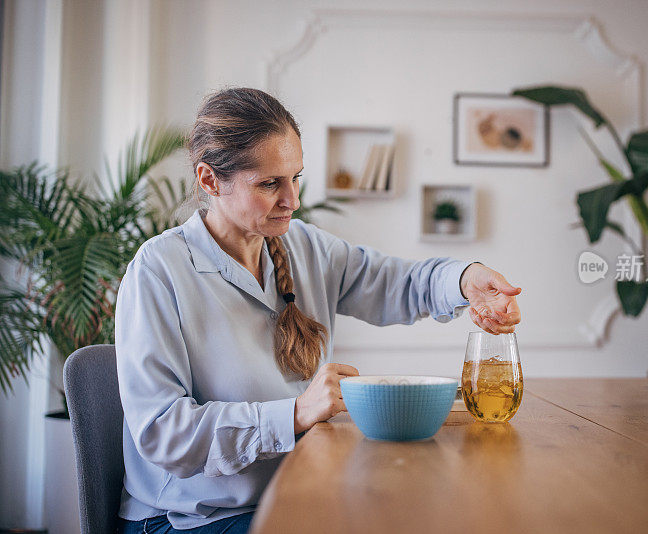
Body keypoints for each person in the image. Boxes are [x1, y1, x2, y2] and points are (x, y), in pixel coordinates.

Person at [115, 87, 522, 533]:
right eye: (270, 184)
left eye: (295, 178)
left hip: (295, 494)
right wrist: (295, 413)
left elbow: (396, 283)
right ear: (210, 180)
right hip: (192, 519)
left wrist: (466, 279)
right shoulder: (159, 270)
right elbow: (162, 431)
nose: (293, 199)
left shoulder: (304, 246)